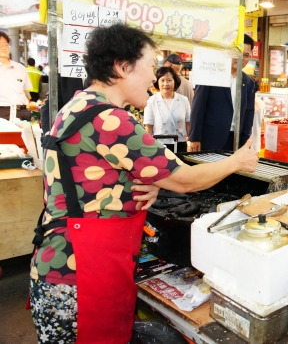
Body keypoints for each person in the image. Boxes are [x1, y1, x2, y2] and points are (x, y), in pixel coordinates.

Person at [29, 23, 258, 344]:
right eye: (150, 66)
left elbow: (86, 176)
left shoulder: (79, 104)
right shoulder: (111, 119)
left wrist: (128, 185)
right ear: (122, 67)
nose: (154, 77)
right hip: (81, 275)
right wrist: (237, 161)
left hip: (57, 269)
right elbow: (185, 180)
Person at [188, 34, 256, 152]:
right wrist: (194, 137)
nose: (240, 58)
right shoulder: (211, 74)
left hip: (236, 140)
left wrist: (245, 142)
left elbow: (249, 114)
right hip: (211, 138)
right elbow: (198, 106)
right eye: (236, 53)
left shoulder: (249, 82)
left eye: (245, 55)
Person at [143, 66, 191, 152]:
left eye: (169, 80)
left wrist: (191, 142)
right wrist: (148, 147)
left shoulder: (184, 100)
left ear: (175, 81)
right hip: (160, 144)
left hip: (180, 143)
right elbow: (148, 127)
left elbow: (188, 124)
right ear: (157, 82)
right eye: (162, 80)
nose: (166, 84)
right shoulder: (151, 101)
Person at [0, 31, 32, 120]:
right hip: (2, 113)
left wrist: (29, 103)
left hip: (22, 112)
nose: (3, 48)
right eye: (0, 45)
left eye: (6, 44)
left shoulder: (20, 68)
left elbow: (26, 91)